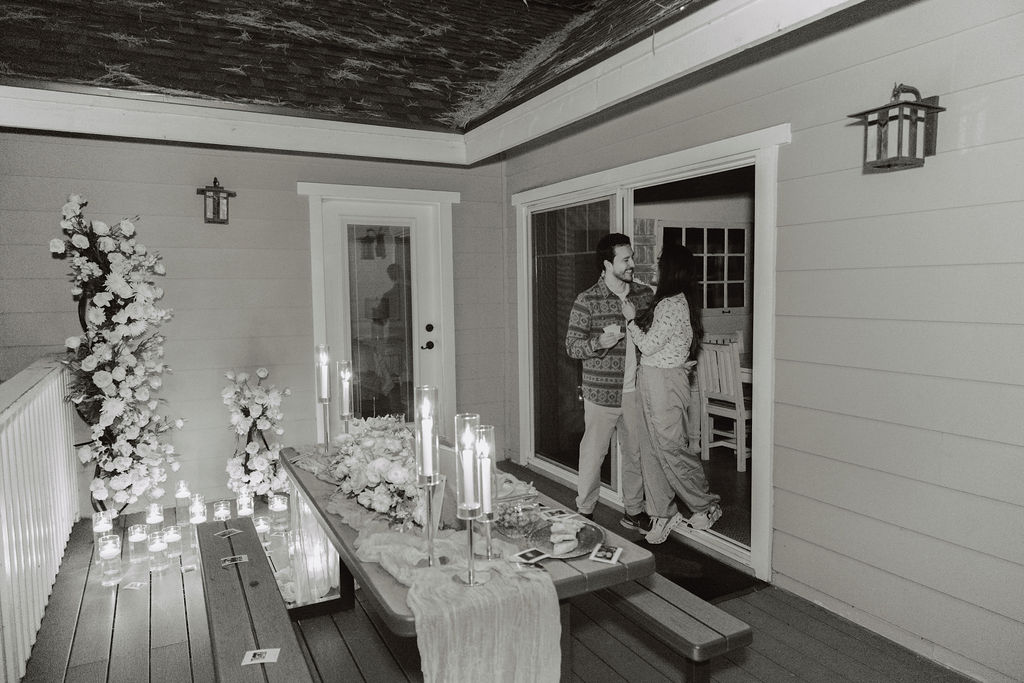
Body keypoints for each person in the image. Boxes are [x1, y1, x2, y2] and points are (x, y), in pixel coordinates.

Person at [622, 244, 722, 544]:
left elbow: (649, 346)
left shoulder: (673, 304)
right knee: (652, 448)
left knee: (671, 447)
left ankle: (705, 505)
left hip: (664, 381)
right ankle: (662, 513)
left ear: (672, 269)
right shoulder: (670, 302)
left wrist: (629, 319)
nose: (658, 268)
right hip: (651, 378)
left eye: (662, 264)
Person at [565, 233, 655, 532]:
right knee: (593, 453)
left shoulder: (643, 296)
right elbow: (572, 346)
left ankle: (634, 511)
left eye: (632, 257)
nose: (632, 263)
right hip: (600, 394)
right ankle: (586, 511)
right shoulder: (586, 300)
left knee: (635, 453)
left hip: (636, 391)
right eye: (625, 259)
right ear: (607, 263)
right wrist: (598, 342)